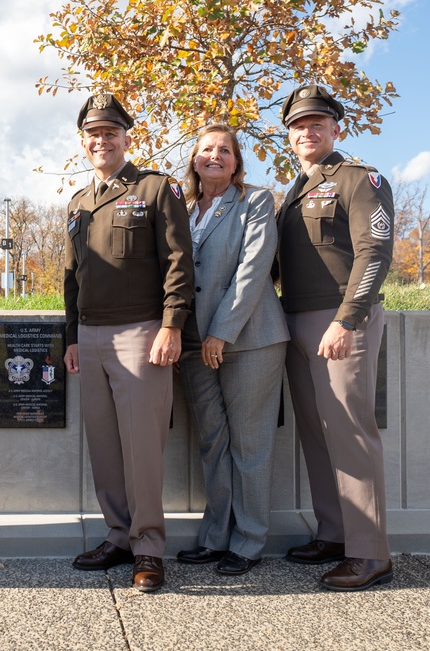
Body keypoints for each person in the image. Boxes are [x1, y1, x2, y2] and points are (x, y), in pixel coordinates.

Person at [63, 93, 193, 593]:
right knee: (105, 446)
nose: (102, 140)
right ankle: (118, 535)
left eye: (110, 132)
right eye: (93, 134)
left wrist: (171, 326)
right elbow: (71, 277)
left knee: (142, 447)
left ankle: (148, 548)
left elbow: (180, 263)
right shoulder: (77, 204)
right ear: (83, 142)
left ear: (125, 138)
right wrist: (72, 336)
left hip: (142, 332)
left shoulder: (157, 189)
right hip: (91, 336)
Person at [275, 84, 395, 591]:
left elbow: (376, 252)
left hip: (340, 321)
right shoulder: (292, 190)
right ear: (289, 135)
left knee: (349, 431)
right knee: (316, 434)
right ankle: (334, 533)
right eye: (298, 125)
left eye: (316, 123)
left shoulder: (359, 180)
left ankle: (369, 553)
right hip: (295, 320)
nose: (307, 131)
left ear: (336, 128)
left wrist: (347, 320)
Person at [174, 124, 289, 576]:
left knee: (250, 444)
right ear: (194, 160)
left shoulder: (255, 202)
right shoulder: (181, 209)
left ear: (237, 161)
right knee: (212, 443)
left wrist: (220, 333)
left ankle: (249, 541)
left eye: (225, 150)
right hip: (191, 344)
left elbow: (253, 270)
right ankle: (215, 537)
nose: (215, 156)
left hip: (249, 340)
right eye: (207, 150)